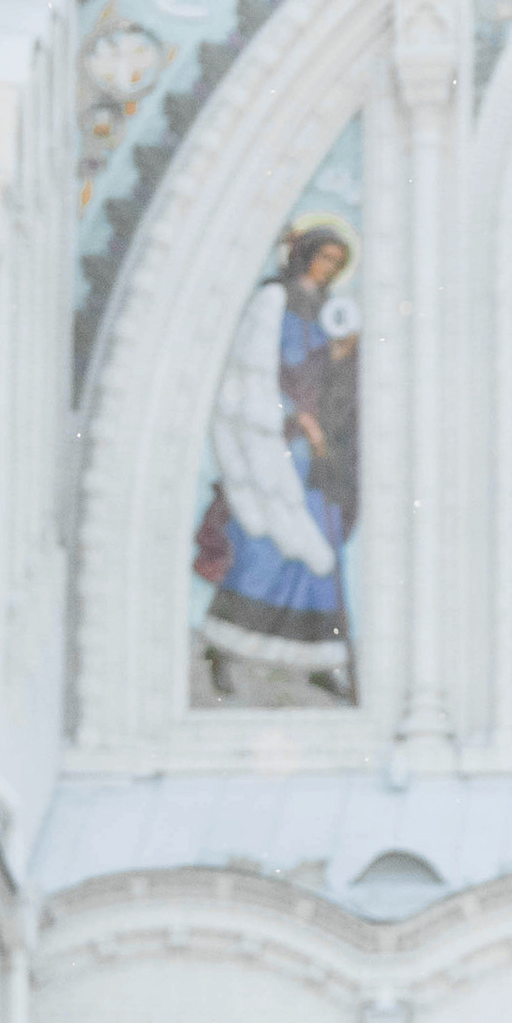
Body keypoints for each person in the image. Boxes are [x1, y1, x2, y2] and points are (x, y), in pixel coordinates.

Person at [196, 221, 359, 700]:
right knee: (266, 541)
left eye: (336, 263)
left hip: (315, 452)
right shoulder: (273, 301)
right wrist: (295, 416)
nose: (327, 269)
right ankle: (223, 648)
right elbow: (253, 370)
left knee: (320, 546)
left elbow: (330, 376)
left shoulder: (327, 311)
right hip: (275, 439)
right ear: (304, 254)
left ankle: (318, 659)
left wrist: (343, 359)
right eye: (322, 257)